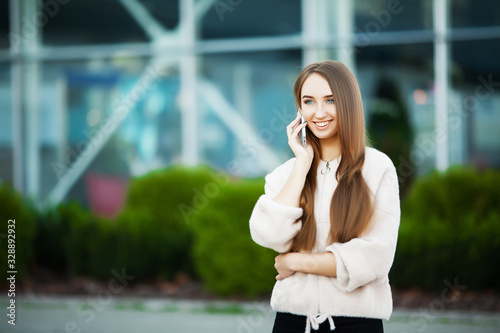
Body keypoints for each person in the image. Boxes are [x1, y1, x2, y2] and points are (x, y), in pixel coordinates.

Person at [249, 60, 400, 333]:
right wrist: (302, 163)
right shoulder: (287, 173)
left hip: (355, 323)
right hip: (291, 321)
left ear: (348, 104)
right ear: (299, 109)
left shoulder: (377, 169)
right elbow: (269, 235)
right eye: (309, 101)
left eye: (330, 100)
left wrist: (296, 261)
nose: (319, 112)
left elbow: (375, 257)